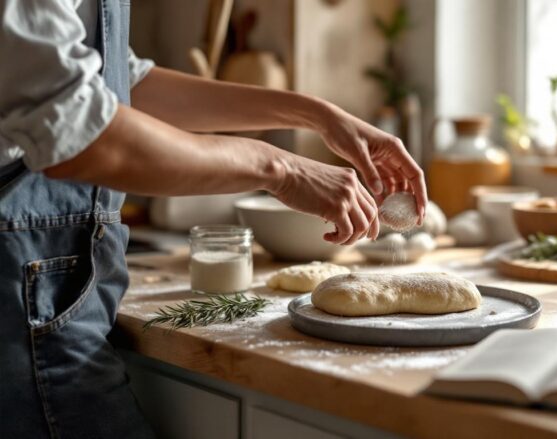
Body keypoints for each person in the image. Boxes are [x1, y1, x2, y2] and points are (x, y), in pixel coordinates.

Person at [0, 1, 426, 437]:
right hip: (18, 302)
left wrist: (316, 114)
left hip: (54, 296)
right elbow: (79, 133)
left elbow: (121, 84)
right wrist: (280, 168)